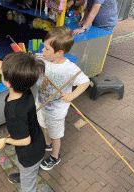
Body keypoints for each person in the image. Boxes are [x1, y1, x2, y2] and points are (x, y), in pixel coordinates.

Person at [0, 44, 46, 192]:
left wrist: (5, 140)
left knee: (28, 186)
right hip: (38, 142)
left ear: (8, 81)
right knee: (22, 166)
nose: (1, 71)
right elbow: (2, 67)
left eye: (3, 73)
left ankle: (26, 177)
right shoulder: (24, 85)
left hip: (30, 154)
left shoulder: (13, 112)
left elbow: (25, 141)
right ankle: (23, 174)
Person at [34, 26, 90, 170]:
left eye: (46, 49)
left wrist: (72, 95)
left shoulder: (69, 68)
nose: (42, 51)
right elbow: (31, 60)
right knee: (44, 127)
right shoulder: (41, 58)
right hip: (41, 104)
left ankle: (55, 156)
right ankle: (47, 144)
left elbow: (85, 82)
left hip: (56, 111)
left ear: (59, 53)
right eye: (43, 47)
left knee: (55, 135)